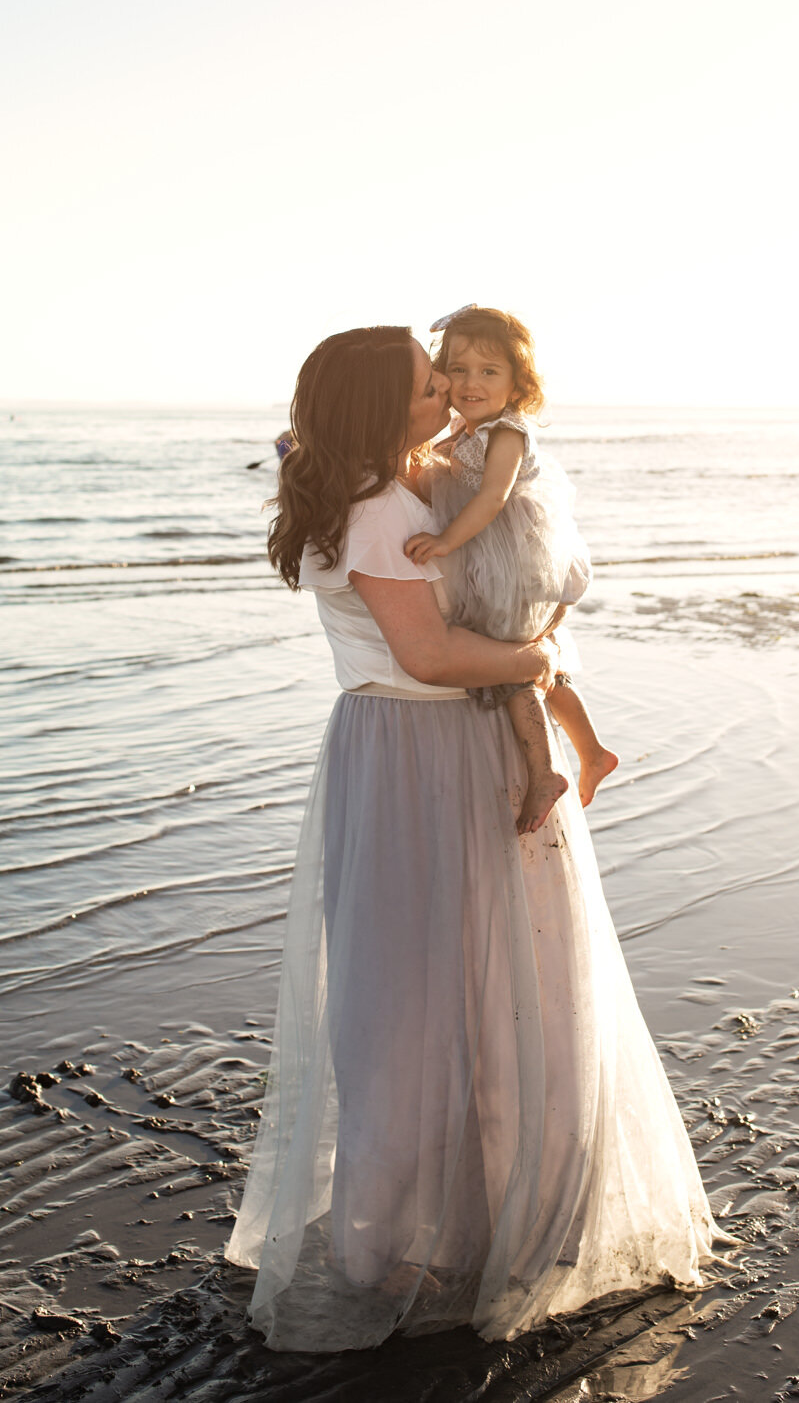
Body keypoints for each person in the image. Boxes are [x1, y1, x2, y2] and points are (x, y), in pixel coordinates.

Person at [224, 325, 731, 1353]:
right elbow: (431, 650)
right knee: (424, 1000)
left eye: (452, 377)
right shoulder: (378, 507)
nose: (447, 391)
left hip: (439, 746)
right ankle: (420, 1232)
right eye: (425, 384)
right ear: (377, 407)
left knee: (485, 987)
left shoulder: (405, 483)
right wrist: (540, 657)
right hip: (422, 752)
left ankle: (488, 1212)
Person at [404, 305, 617, 835]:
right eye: (459, 369)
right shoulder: (463, 430)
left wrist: (445, 539)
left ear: (518, 382)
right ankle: (592, 752)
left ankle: (545, 771)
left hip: (515, 558)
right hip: (495, 554)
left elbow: (493, 497)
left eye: (489, 371)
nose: (471, 382)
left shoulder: (507, 432)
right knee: (526, 654)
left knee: (510, 660)